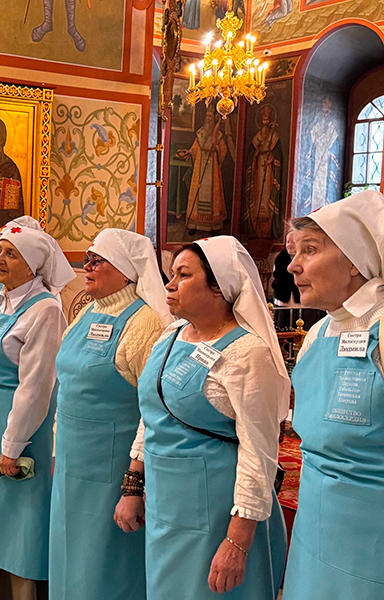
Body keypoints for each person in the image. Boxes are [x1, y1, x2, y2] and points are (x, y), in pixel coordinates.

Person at [115, 236, 288, 598]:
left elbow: (259, 454)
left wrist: (237, 542)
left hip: (217, 513)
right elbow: (152, 414)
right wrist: (133, 485)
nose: (170, 285)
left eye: (183, 275)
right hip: (165, 505)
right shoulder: (171, 335)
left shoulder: (248, 353)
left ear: (218, 287)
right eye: (172, 274)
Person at [49, 229, 172, 600]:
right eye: (86, 259)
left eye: (96, 260)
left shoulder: (146, 322)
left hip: (112, 470)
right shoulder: (88, 311)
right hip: (71, 463)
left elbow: (154, 411)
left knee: (105, 565)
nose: (85, 267)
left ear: (124, 270)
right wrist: (56, 449)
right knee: (69, 555)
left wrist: (134, 484)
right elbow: (66, 387)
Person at [282, 191, 384, 599]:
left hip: (370, 544)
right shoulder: (319, 333)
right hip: (313, 530)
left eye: (310, 250)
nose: (293, 265)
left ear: (356, 260)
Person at [0, 222, 75, 599]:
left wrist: (11, 447)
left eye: (10, 254)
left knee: (22, 512)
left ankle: (24, 590)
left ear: (32, 265)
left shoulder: (45, 309)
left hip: (25, 427)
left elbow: (35, 388)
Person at [181, 105, 230, 235]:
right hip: (200, 167)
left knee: (213, 193)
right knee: (198, 192)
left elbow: (224, 150)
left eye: (210, 117)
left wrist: (217, 149)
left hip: (212, 168)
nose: (209, 119)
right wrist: (190, 152)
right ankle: (195, 224)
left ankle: (213, 225)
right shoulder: (201, 133)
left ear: (213, 118)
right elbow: (196, 147)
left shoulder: (218, 135)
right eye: (207, 117)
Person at [242, 105, 285, 240]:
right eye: (264, 118)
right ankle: (255, 227)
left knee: (267, 195)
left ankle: (268, 228)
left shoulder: (274, 137)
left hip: (269, 171)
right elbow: (251, 154)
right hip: (258, 171)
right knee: (257, 195)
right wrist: (256, 156)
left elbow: (278, 154)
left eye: (267, 118)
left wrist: (272, 158)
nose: (265, 120)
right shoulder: (257, 137)